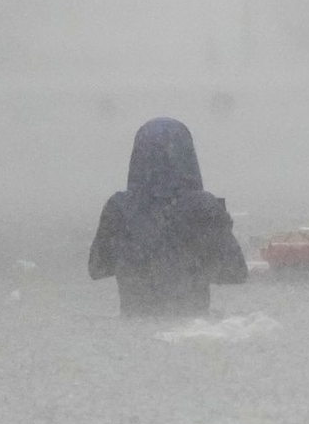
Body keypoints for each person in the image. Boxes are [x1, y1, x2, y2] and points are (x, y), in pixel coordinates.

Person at [89, 117, 248, 317]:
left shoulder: (119, 208)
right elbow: (235, 273)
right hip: (191, 326)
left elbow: (97, 268)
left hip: (136, 324)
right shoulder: (203, 207)